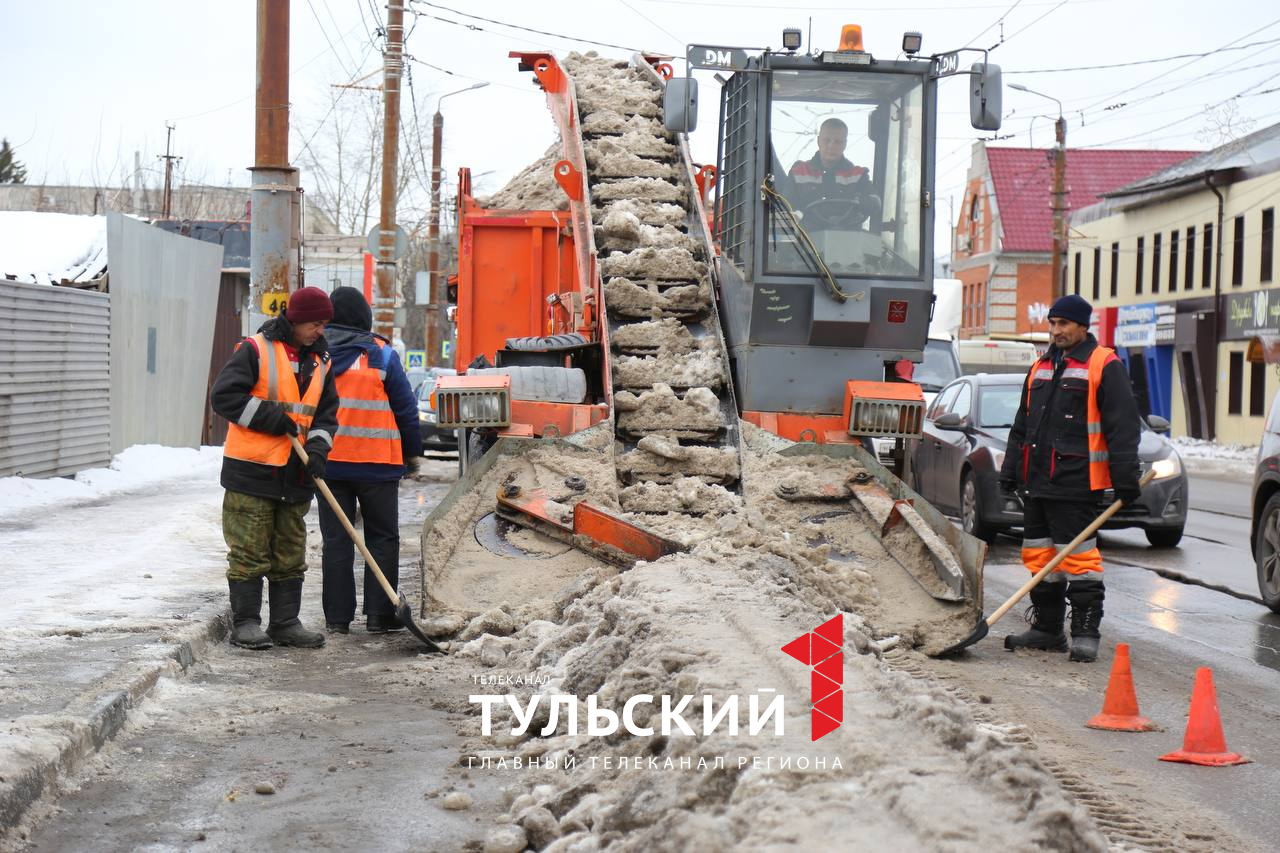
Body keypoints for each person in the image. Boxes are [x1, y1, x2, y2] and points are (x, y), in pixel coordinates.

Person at [999, 294, 1141, 663]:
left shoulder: (1103, 364)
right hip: (1037, 481)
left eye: (1064, 324)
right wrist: (1011, 470)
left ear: (1082, 326)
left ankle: (1085, 633)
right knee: (1038, 556)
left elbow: (1122, 426)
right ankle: (1047, 630)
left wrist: (1126, 477)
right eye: (1052, 323)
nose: (1056, 330)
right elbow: (1022, 426)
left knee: (1079, 560)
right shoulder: (1041, 367)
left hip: (1077, 482)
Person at [210, 286, 338, 650]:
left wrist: (318, 447)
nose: (320, 330)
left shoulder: (322, 361)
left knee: (289, 551)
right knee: (249, 551)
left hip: (295, 473)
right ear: (295, 321)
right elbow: (225, 397)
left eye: (324, 323)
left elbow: (326, 414)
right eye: (315, 323)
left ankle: (285, 622)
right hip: (252, 470)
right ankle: (247, 623)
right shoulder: (256, 350)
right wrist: (269, 417)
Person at [317, 287, 423, 634]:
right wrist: (412, 453)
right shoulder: (382, 356)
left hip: (329, 466)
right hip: (378, 467)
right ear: (365, 318)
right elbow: (406, 410)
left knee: (337, 541)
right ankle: (379, 616)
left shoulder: (318, 357)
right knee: (381, 538)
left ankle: (337, 620)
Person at [787, 117, 878, 227]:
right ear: (819, 141)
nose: (831, 146)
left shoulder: (858, 175)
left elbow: (875, 200)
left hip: (849, 239)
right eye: (827, 140)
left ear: (845, 144)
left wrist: (863, 202)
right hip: (807, 240)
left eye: (837, 142)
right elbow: (786, 206)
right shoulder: (798, 173)